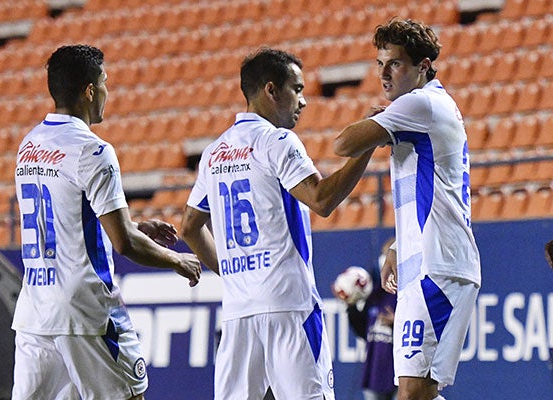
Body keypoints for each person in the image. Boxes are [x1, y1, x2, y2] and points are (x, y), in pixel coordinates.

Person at [180, 47, 375, 399]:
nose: (303, 101)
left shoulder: (214, 152)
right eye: (296, 89)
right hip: (289, 306)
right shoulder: (277, 141)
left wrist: (232, 272)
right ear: (271, 90)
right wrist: (367, 147)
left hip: (239, 312)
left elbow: (190, 228)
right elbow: (322, 199)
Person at [11, 44, 201, 400]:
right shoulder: (93, 150)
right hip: (86, 313)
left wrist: (132, 224)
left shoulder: (30, 144)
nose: (107, 92)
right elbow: (124, 243)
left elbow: (66, 219)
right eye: (105, 82)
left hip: (36, 311)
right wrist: (179, 260)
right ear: (89, 90)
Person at [334, 18, 481, 400]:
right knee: (418, 391)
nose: (383, 73)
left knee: (413, 392)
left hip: (439, 265)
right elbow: (427, 186)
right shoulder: (424, 106)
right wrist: (399, 247)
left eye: (394, 63)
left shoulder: (421, 104)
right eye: (379, 63)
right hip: (428, 262)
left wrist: (372, 117)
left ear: (423, 67)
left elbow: (344, 144)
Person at [341, 238, 397, 400]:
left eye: (388, 255)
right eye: (383, 255)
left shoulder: (406, 294)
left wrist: (396, 323)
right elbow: (364, 331)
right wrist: (351, 306)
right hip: (375, 373)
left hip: (399, 374)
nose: (384, 261)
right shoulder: (374, 295)